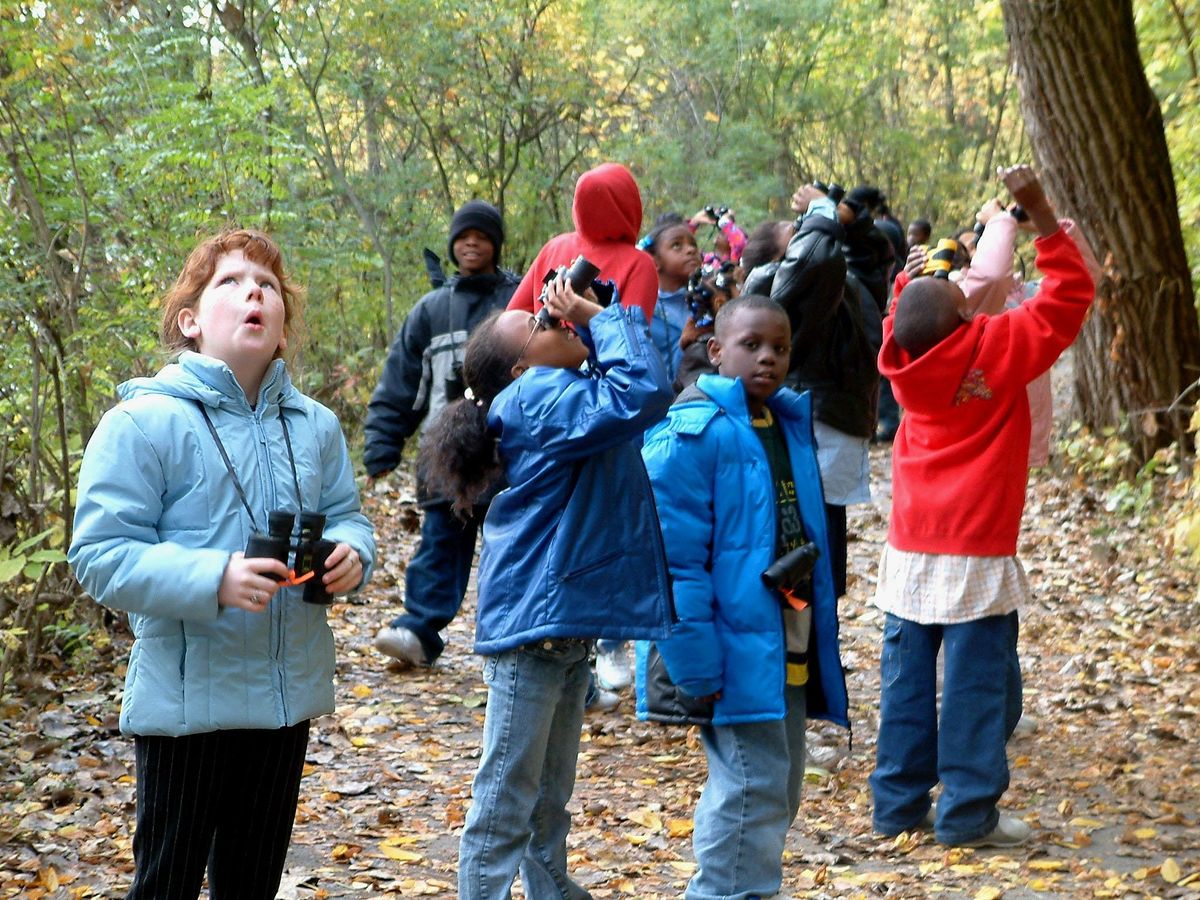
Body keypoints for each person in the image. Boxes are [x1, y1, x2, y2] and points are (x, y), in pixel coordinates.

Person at [68, 229, 376, 899]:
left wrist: (356, 555)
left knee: (251, 886)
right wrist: (214, 578)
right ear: (191, 322)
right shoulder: (143, 423)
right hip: (186, 707)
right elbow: (98, 555)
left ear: (284, 328)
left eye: (267, 285)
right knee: (166, 885)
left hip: (283, 703)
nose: (253, 293)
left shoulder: (316, 427)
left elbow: (348, 516)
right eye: (230, 283)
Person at [869, 165, 1095, 848]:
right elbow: (1070, 294)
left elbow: (909, 307)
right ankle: (966, 816)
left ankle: (896, 807)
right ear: (966, 312)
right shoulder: (993, 349)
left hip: (910, 548)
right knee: (973, 689)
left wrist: (920, 277)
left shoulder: (901, 357)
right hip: (976, 548)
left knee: (905, 684)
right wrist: (1040, 216)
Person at [439, 276, 674, 899]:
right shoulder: (538, 397)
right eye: (542, 324)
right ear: (522, 366)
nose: (556, 320)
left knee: (546, 795)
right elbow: (643, 392)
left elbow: (634, 381)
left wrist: (591, 320)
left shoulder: (549, 391)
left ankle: (552, 891)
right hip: (534, 626)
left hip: (556, 626)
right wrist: (599, 316)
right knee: (507, 797)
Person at [636, 295, 848, 900]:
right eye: (751, 345)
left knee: (777, 790)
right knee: (749, 788)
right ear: (716, 350)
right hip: (727, 655)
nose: (768, 359)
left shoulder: (783, 422)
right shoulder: (692, 434)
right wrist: (695, 664)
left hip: (785, 640)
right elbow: (674, 564)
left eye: (779, 348)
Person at [365, 200, 520, 668]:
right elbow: (401, 382)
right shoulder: (430, 310)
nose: (471, 243)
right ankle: (417, 632)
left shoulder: (518, 302)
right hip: (445, 452)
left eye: (482, 235)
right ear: (452, 246)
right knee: (439, 545)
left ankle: (518, 637)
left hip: (511, 452)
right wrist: (381, 443)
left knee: (513, 544)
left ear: (496, 244)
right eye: (462, 236)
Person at [507, 161, 659, 323]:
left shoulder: (554, 247)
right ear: (631, 206)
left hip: (541, 346)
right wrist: (594, 317)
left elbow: (510, 321)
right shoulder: (640, 264)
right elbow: (633, 340)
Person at [642, 218, 703, 385]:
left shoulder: (705, 300)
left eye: (693, 245)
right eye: (677, 245)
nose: (691, 250)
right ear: (654, 261)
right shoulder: (645, 309)